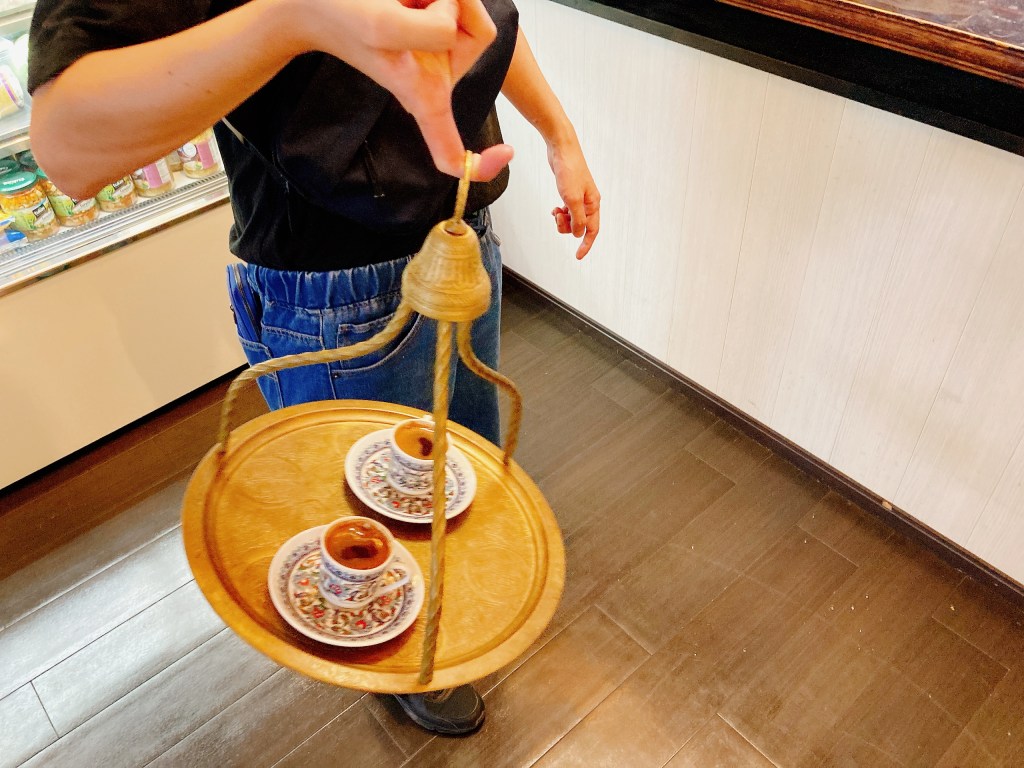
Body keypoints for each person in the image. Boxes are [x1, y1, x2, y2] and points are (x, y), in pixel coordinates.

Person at [28, 0, 600, 736]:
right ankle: (402, 655)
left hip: (459, 238)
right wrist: (294, 19)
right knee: (369, 541)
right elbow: (68, 147)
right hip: (339, 288)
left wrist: (559, 134)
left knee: (456, 490)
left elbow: (474, 17)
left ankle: (435, 618)